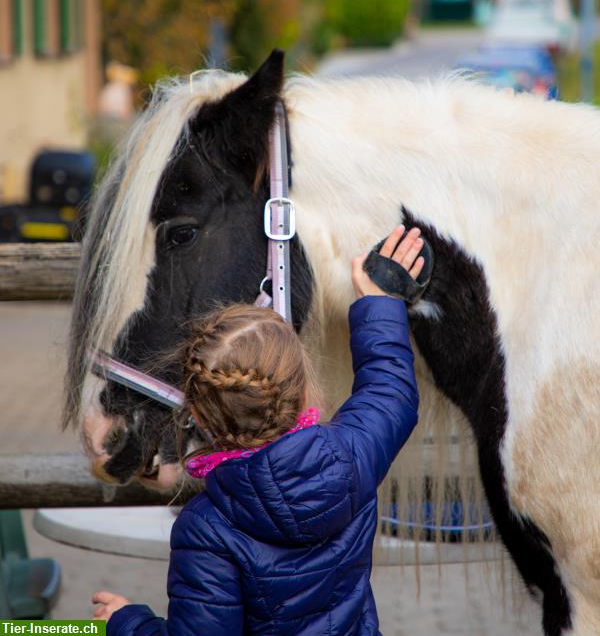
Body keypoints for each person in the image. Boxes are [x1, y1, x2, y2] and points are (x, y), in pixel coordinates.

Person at [92, 225, 425, 635]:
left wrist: (126, 623)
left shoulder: (206, 529)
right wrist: (379, 302)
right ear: (303, 390)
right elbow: (390, 392)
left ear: (199, 415)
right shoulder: (351, 457)